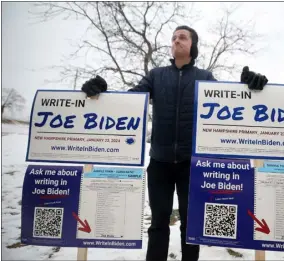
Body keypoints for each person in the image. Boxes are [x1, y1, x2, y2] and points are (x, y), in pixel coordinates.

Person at [81, 25, 268, 261]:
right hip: (160, 162)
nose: (176, 40)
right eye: (173, 37)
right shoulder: (156, 75)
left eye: (182, 37)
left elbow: (228, 105)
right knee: (158, 222)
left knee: (191, 226)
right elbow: (131, 101)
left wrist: (249, 88)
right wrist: (103, 95)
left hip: (192, 164)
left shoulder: (205, 77)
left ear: (193, 45)